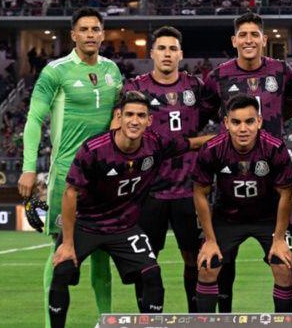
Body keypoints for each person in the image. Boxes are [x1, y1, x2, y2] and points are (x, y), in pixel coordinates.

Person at [48, 91, 210, 328]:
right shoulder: (94, 149)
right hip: (87, 224)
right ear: (119, 117)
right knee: (62, 271)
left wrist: (231, 136)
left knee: (152, 274)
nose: (135, 121)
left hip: (124, 227)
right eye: (129, 115)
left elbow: (193, 143)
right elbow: (70, 192)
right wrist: (68, 244)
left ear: (149, 120)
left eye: (141, 116)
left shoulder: (155, 144)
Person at [18, 7, 123, 326]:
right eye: (84, 29)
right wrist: (28, 167)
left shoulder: (112, 70)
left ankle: (105, 319)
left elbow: (120, 117)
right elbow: (34, 119)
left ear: (102, 34)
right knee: (60, 250)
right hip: (67, 173)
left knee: (103, 253)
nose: (90, 34)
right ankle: (51, 324)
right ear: (73, 35)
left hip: (104, 176)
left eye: (95, 29)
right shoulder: (55, 71)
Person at [202, 12, 292, 311]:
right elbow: (206, 111)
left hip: (271, 183)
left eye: (254, 34)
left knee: (284, 263)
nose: (248, 40)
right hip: (229, 186)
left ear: (264, 39)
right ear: (234, 41)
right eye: (243, 35)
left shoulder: (281, 71)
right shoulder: (218, 76)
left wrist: (271, 126)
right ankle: (223, 319)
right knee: (219, 263)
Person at [120, 26, 212, 312]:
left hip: (189, 189)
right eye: (162, 48)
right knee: (146, 259)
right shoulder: (135, 88)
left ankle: (195, 317)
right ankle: (148, 318)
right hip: (148, 191)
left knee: (194, 258)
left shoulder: (196, 87)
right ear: (152, 53)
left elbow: (215, 117)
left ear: (181, 54)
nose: (167, 54)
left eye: (173, 49)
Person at [192, 95, 292, 312]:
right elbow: (200, 192)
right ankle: (205, 324)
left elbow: (286, 193)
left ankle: (284, 323)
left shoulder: (274, 148)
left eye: (249, 121)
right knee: (207, 266)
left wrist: (279, 239)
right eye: (236, 122)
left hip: (268, 218)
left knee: (284, 266)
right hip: (227, 217)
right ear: (226, 123)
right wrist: (209, 239)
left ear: (259, 121)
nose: (243, 129)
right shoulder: (212, 149)